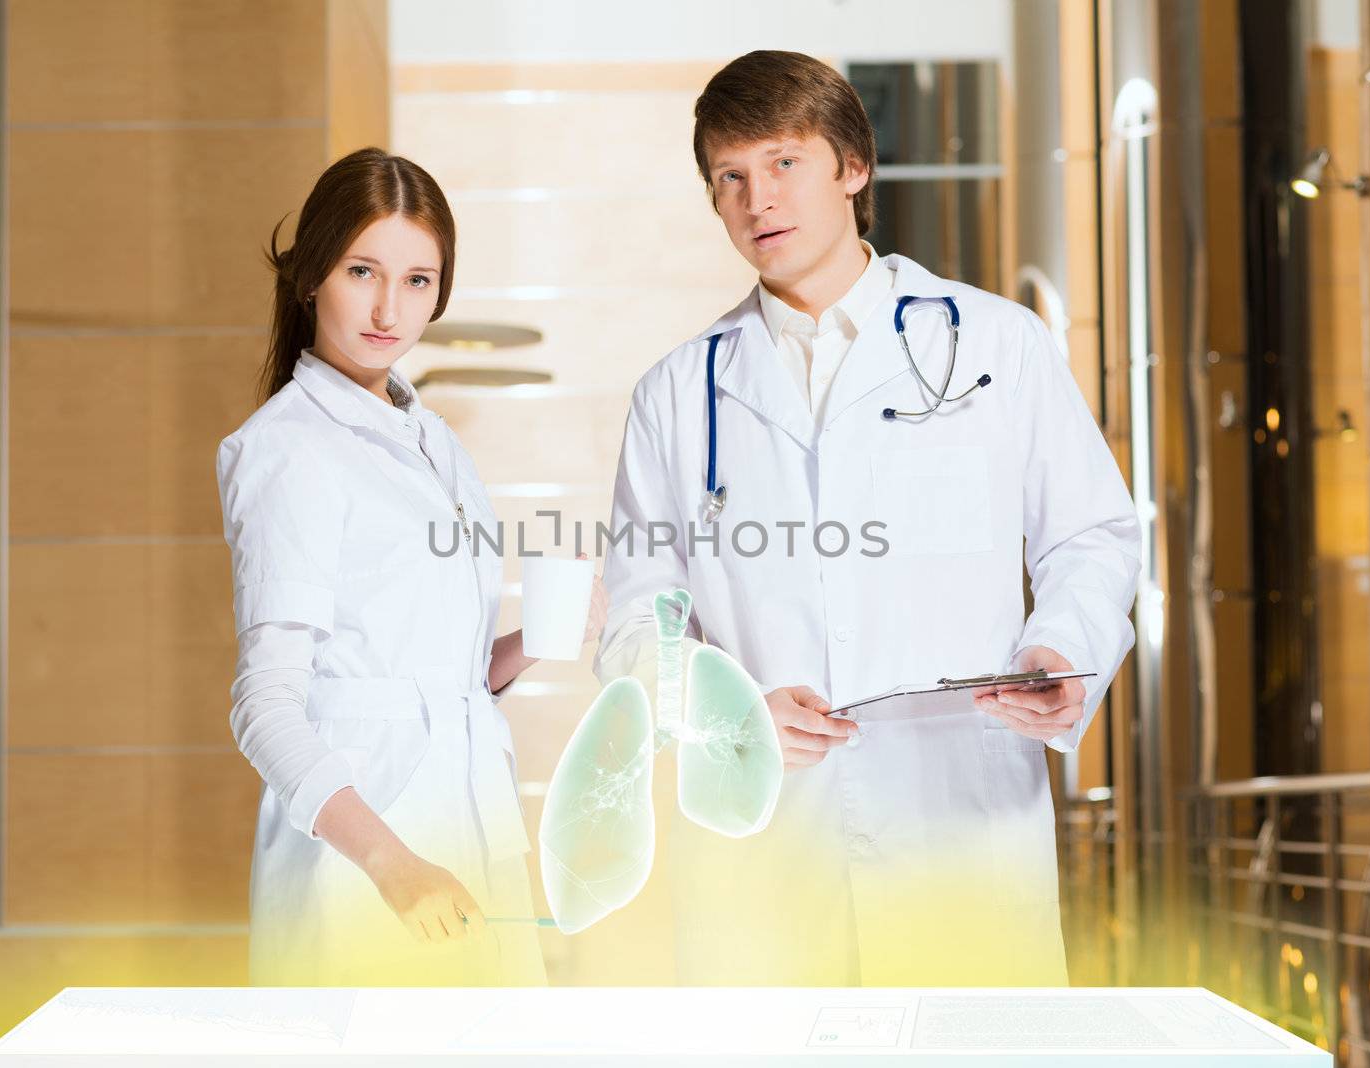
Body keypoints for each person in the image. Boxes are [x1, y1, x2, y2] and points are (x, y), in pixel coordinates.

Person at [594, 52, 1141, 985]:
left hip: (960, 828)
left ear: (853, 167)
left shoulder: (993, 344)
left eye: (782, 163)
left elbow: (1091, 536)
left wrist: (1060, 649)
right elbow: (638, 618)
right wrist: (726, 714)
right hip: (767, 857)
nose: (756, 199)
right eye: (729, 178)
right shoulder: (679, 395)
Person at [216, 148, 606, 985]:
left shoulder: (434, 442)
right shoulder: (288, 450)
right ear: (312, 274)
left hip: (475, 847)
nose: (391, 307)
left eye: (420, 280)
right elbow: (266, 705)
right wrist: (393, 867)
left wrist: (540, 634)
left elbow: (446, 681)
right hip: (369, 870)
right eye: (364, 271)